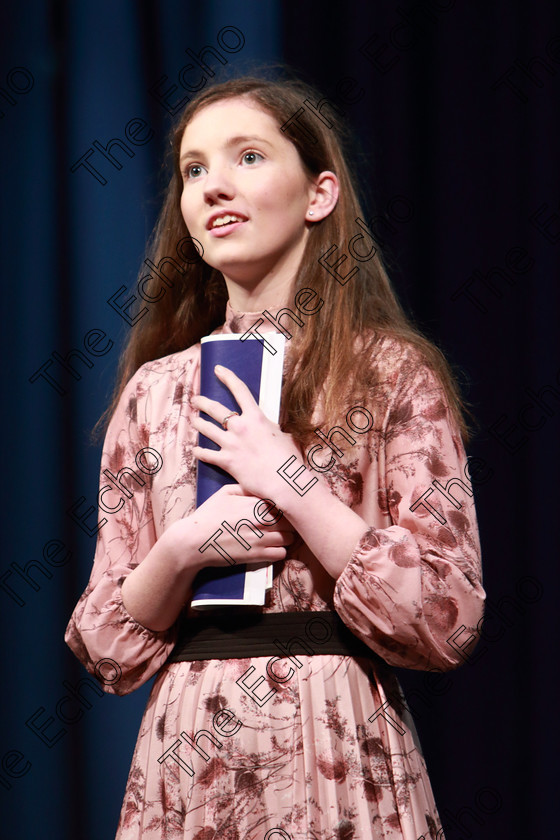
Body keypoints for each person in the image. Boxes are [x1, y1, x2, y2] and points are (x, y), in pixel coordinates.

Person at [65, 75, 485, 840]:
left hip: (336, 735)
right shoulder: (154, 394)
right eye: (193, 170)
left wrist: (290, 480)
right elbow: (106, 642)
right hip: (189, 753)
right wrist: (184, 549)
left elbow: (443, 617)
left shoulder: (388, 375)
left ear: (318, 194)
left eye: (248, 157)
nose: (213, 186)